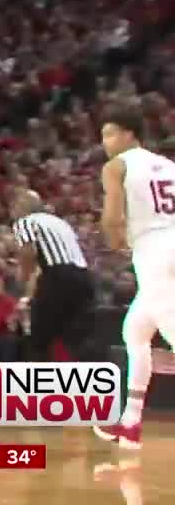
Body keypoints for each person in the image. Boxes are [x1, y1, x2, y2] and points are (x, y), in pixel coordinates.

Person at [95, 107, 175, 449]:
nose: (105, 142)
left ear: (129, 134)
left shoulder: (117, 165)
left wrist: (115, 243)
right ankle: (130, 421)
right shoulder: (169, 165)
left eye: (110, 133)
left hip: (155, 252)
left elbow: (112, 217)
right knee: (135, 331)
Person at [10, 189, 95, 360]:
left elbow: (28, 254)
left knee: (39, 336)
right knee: (71, 336)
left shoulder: (25, 222)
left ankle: (39, 380)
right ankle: (79, 380)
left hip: (58, 277)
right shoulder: (60, 223)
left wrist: (22, 279)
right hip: (83, 277)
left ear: (21, 207)